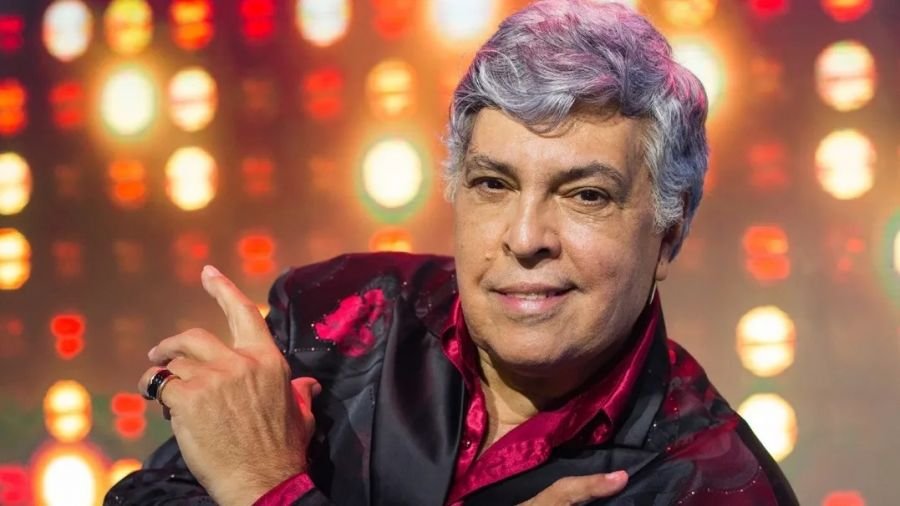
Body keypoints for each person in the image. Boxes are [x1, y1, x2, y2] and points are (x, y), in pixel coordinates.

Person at [106, 1, 798, 504]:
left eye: (585, 195)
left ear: (668, 236)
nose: (524, 237)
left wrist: (265, 486)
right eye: (493, 184)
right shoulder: (341, 318)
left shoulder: (712, 485)